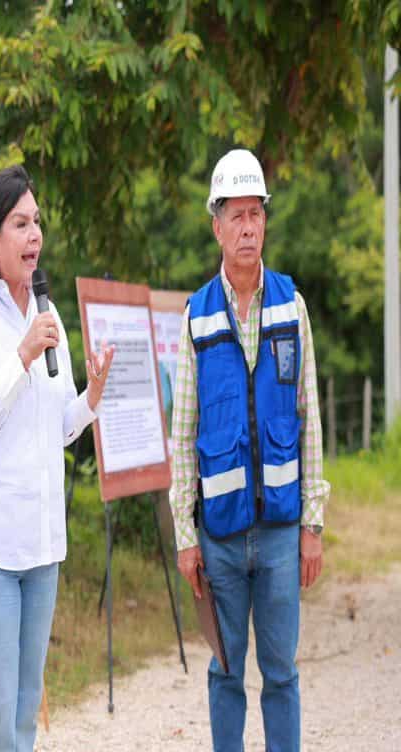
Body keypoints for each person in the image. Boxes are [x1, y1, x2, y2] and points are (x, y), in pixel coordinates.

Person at [0, 165, 114, 751]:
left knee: (25, 705)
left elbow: (58, 428)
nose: (35, 235)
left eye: (37, 222)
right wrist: (19, 357)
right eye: (20, 224)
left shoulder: (48, 314)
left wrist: (91, 396)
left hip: (41, 542)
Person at [169, 148, 330, 752]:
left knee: (281, 674)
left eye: (255, 214)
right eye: (235, 215)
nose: (246, 227)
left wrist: (313, 523)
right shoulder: (196, 316)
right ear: (216, 225)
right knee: (226, 672)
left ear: (265, 221)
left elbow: (309, 419)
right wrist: (185, 536)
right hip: (220, 534)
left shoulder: (292, 305)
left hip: (283, 531)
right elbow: (182, 434)